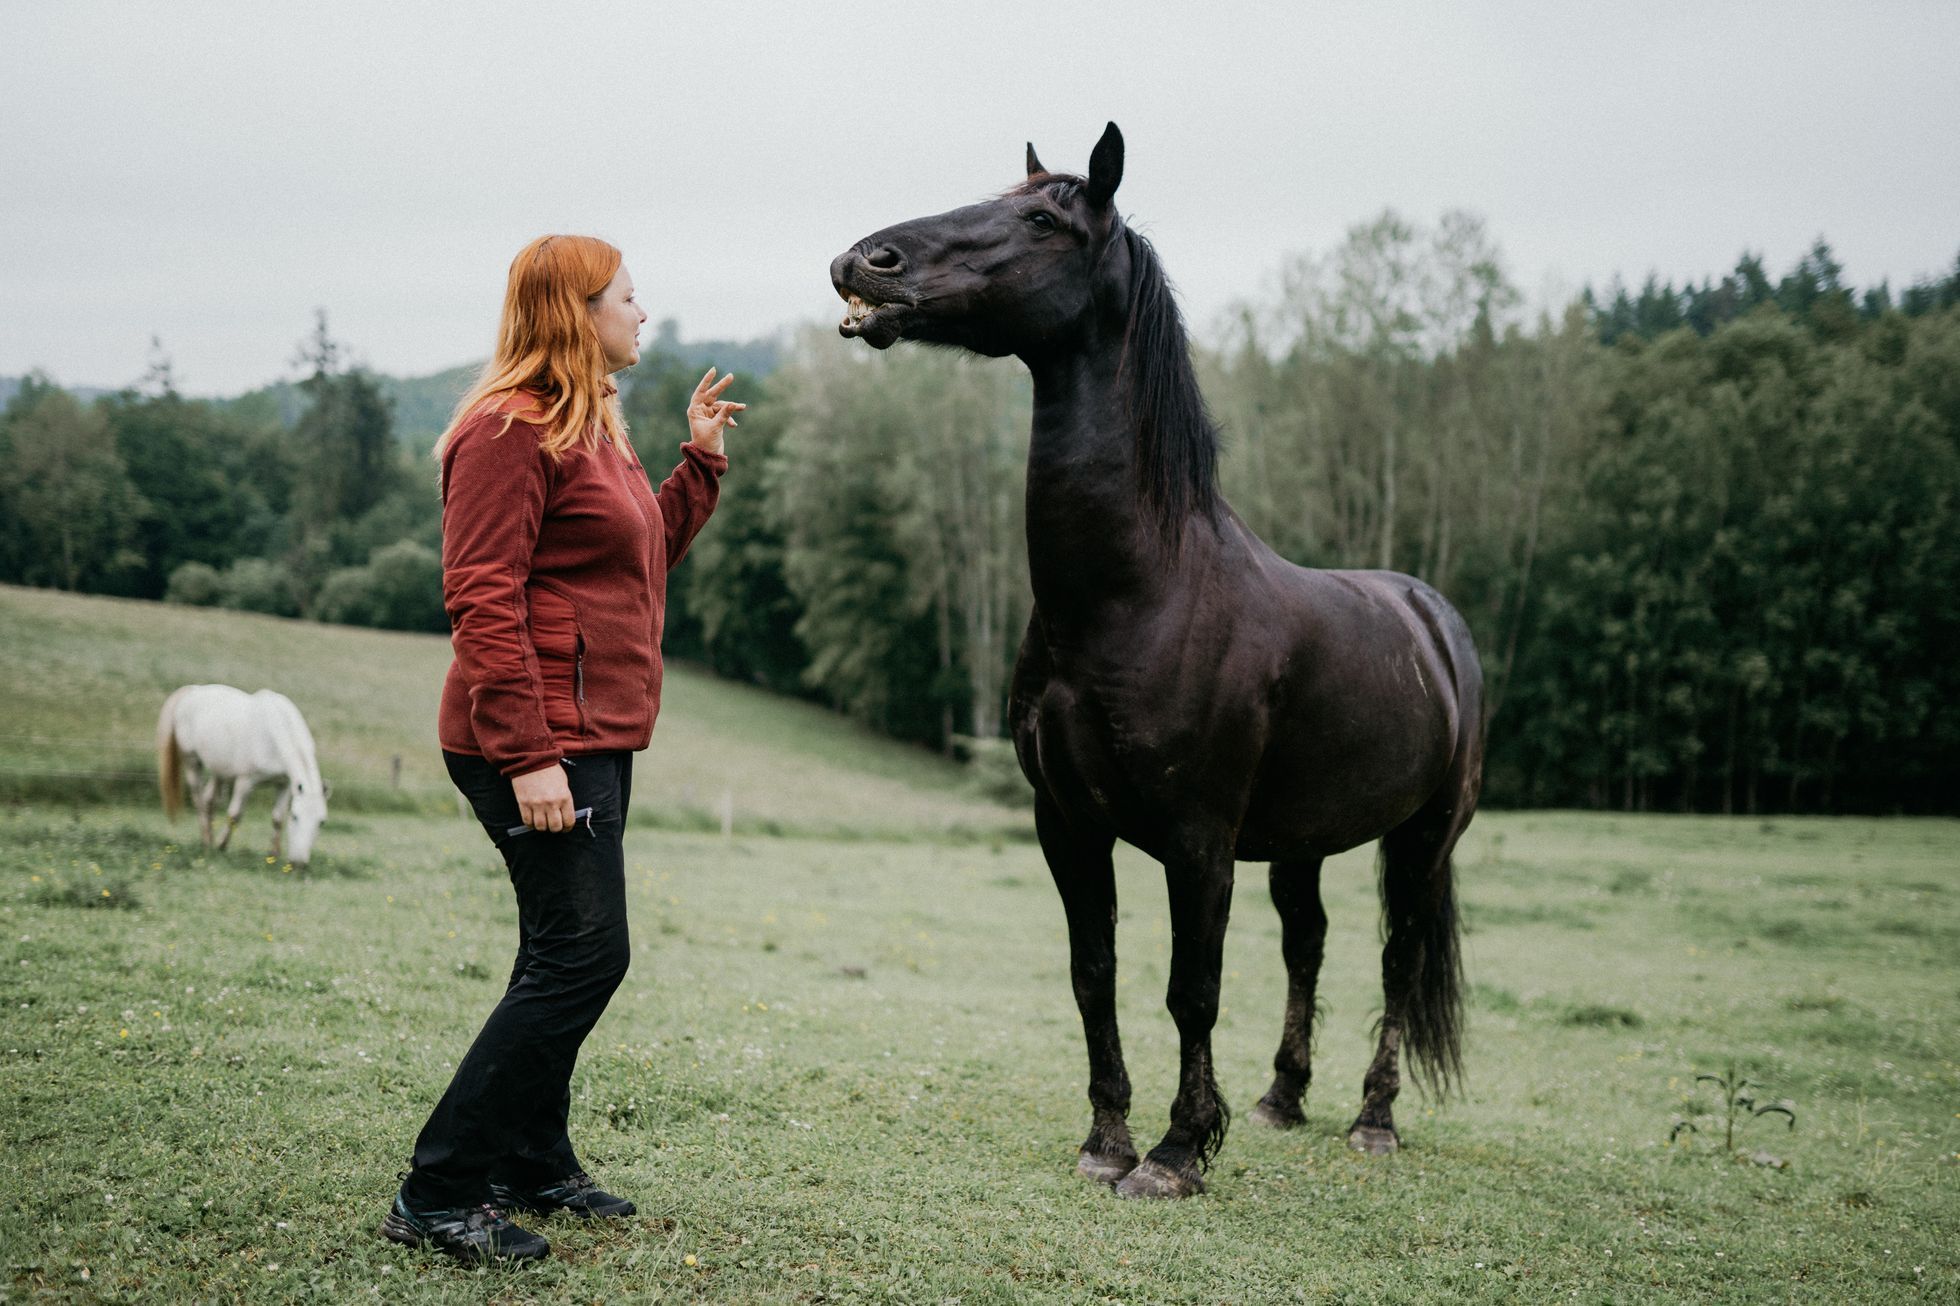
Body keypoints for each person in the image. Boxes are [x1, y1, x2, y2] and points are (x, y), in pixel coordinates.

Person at [381, 234, 743, 1264]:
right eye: (629, 297)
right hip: (533, 739)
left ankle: (532, 1159)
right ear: (577, 312)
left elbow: (637, 561)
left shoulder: (592, 426)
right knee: (585, 955)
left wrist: (698, 462)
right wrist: (529, 754)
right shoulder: (506, 429)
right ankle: (439, 1188)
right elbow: (480, 598)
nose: (645, 312)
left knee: (561, 950)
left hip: (593, 732)